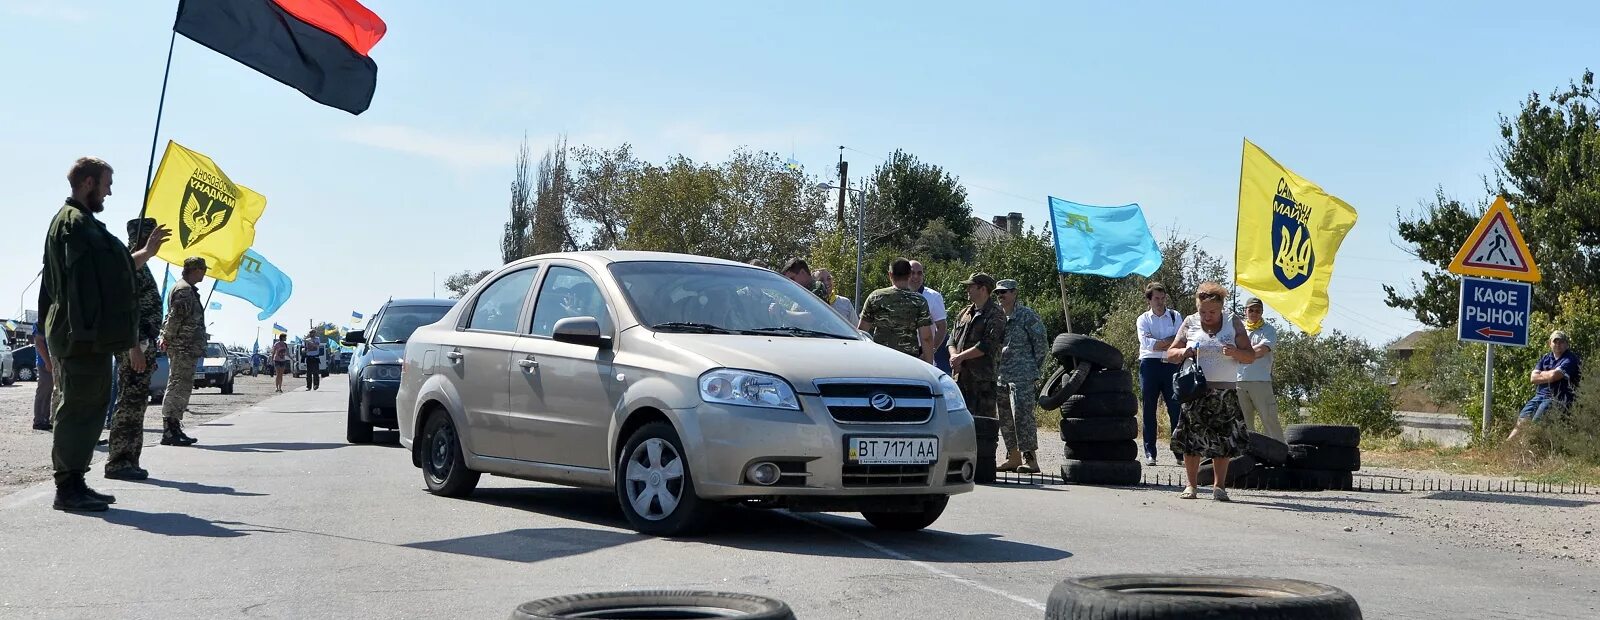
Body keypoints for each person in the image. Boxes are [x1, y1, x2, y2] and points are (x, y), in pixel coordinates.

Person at [40, 156, 153, 511]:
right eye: (106, 183)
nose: (109, 191)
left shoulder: (82, 223)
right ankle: (67, 487)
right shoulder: (75, 224)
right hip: (81, 334)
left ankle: (76, 480)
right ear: (88, 182)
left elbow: (111, 269)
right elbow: (101, 280)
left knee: (89, 406)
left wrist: (146, 253)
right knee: (78, 408)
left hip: (86, 334)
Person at [1166, 282, 1256, 501]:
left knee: (1223, 441)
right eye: (1203, 311)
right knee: (1191, 439)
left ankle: (1219, 487)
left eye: (1212, 312)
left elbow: (1250, 356)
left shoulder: (1233, 322)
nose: (1207, 316)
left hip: (1225, 390)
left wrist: (1235, 351)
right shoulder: (1190, 322)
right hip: (1195, 391)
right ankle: (1191, 486)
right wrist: (1183, 352)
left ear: (1221, 308)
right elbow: (1170, 353)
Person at [105, 218, 171, 480]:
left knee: (136, 403)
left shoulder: (140, 266)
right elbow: (123, 309)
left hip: (143, 343)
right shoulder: (131, 265)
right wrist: (134, 347)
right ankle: (119, 462)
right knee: (129, 403)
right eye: (152, 235)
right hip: (134, 344)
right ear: (143, 237)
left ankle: (129, 459)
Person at [948, 273, 1007, 465]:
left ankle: (983, 464)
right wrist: (953, 355)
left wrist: (960, 357)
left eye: (971, 286)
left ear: (983, 289)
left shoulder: (995, 314)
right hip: (960, 378)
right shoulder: (964, 312)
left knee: (984, 424)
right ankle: (959, 462)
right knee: (958, 423)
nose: (967, 289)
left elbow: (987, 345)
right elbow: (952, 339)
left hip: (982, 380)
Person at [993, 279, 1047, 473]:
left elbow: (1041, 345)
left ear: (1014, 293)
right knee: (1005, 419)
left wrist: (1032, 370)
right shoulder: (997, 317)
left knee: (1023, 418)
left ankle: (1031, 460)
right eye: (998, 293)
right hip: (1001, 376)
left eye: (1004, 292)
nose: (1000, 296)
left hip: (1022, 377)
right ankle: (1013, 457)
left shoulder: (1027, 316)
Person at [159, 257, 208, 446]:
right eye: (202, 269)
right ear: (194, 269)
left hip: (186, 346)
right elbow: (174, 318)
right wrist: (167, 338)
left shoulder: (186, 289)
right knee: (177, 386)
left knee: (181, 386)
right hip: (182, 347)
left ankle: (174, 428)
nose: (204, 273)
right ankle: (170, 430)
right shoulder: (184, 290)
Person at [1136, 282, 1184, 465]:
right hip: (1150, 365)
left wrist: (1163, 342)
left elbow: (1180, 340)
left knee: (1175, 409)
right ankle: (1150, 452)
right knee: (1149, 409)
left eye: (1163, 298)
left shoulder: (1174, 316)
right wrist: (1167, 341)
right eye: (1156, 298)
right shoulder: (1143, 319)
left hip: (1171, 364)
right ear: (1149, 300)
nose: (1160, 302)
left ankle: (1179, 452)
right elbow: (1148, 344)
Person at [1508, 330, 1582, 441]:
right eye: (1555, 341)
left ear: (1566, 344)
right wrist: (1549, 374)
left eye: (1561, 342)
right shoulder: (1546, 358)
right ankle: (1506, 447)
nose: (1558, 344)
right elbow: (1533, 378)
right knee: (1521, 422)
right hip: (1539, 396)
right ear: (1550, 343)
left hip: (1556, 398)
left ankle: (1526, 450)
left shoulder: (1570, 359)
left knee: (1536, 423)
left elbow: (1554, 376)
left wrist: (1542, 374)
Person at [859, 258, 935, 364]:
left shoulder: (875, 297)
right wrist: (929, 365)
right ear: (909, 275)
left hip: (880, 359)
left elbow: (862, 331)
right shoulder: (919, 301)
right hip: (908, 360)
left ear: (890, 274)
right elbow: (926, 337)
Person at [1235, 297, 1283, 442]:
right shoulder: (1237, 330)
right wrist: (1238, 354)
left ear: (1262, 312)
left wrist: (1240, 354)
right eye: (1251, 310)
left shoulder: (1268, 330)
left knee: (1269, 419)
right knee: (1243, 423)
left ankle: (1280, 452)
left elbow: (1261, 350)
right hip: (1239, 381)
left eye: (1258, 310)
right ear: (1245, 311)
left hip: (1260, 381)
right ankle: (1247, 457)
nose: (1254, 313)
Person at [909, 261, 951, 373]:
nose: (916, 277)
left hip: (923, 352)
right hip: (899, 351)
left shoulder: (933, 296)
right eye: (912, 272)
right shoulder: (896, 294)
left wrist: (930, 351)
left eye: (919, 273)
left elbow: (942, 327)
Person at [32, 331, 54, 431]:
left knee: (48, 391)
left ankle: (45, 419)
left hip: (49, 362)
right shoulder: (40, 323)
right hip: (44, 363)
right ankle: (39, 421)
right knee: (43, 391)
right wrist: (47, 362)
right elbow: (39, 343)